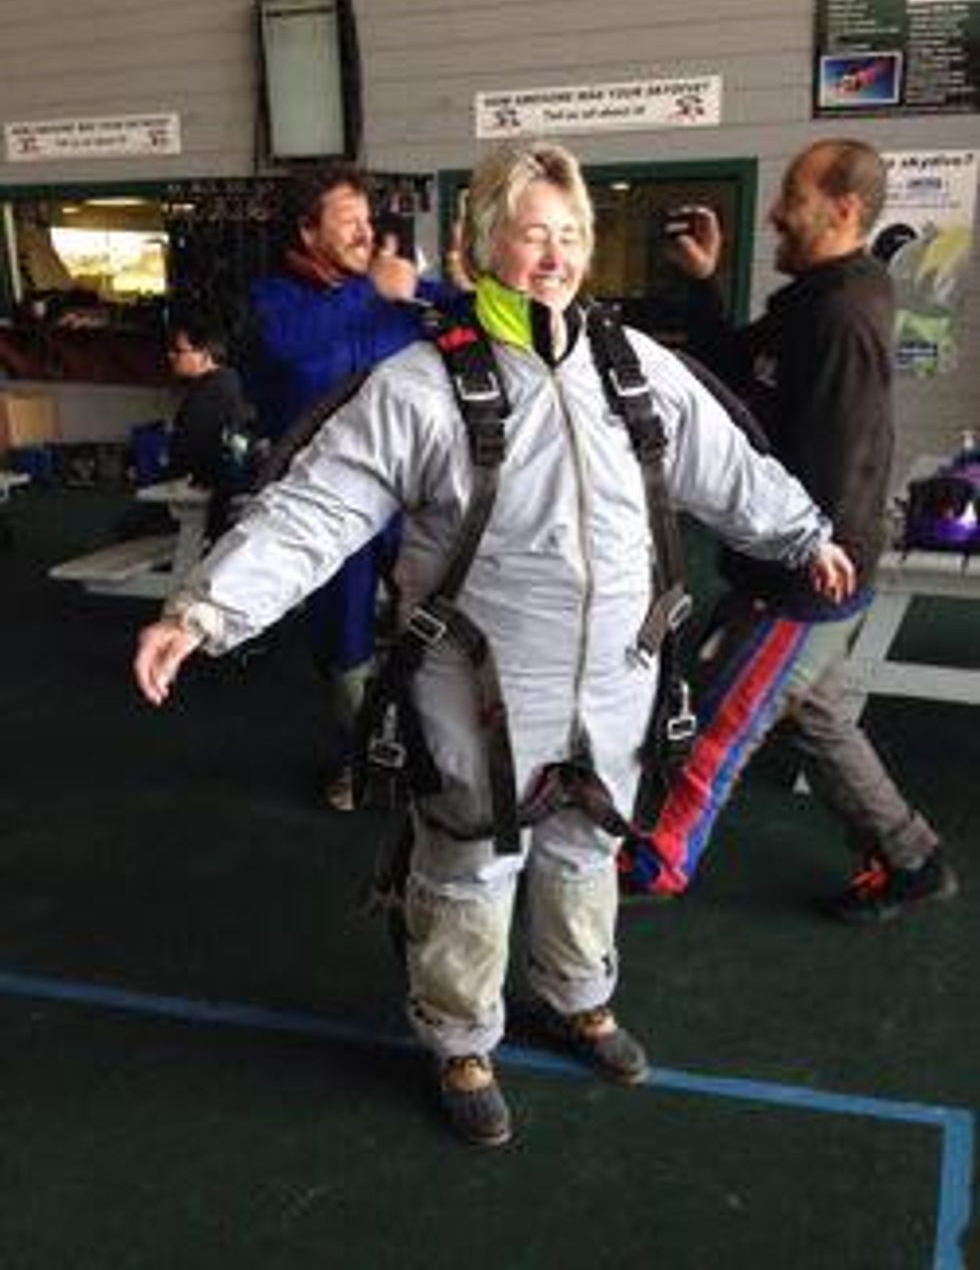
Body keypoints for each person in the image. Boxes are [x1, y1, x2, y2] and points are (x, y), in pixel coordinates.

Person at [133, 141, 854, 1149]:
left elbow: (728, 468)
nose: (553, 254)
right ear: (479, 246)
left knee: (588, 840)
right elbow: (318, 506)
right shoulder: (420, 386)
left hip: (615, 671)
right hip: (475, 681)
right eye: (530, 232)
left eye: (569, 235)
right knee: (467, 858)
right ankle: (460, 1036)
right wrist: (204, 609)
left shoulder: (634, 371)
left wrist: (803, 534)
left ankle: (575, 997)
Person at [619, 138, 959, 923]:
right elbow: (740, 374)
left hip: (804, 579)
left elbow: (849, 457)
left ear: (843, 210)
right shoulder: (812, 300)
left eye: (794, 198)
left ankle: (655, 860)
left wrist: (805, 560)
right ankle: (913, 857)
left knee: (716, 720)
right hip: (796, 561)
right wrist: (706, 284)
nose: (775, 212)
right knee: (819, 715)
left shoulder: (843, 313)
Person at [246, 163, 454, 808]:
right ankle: (362, 757)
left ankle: (443, 753)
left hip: (408, 496)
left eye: (369, 222)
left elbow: (460, 307)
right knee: (344, 639)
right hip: (327, 501)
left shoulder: (385, 292)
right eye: (350, 224)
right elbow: (288, 347)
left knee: (443, 614)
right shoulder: (273, 302)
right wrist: (373, 290)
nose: (367, 234)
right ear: (308, 233)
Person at [166, 312, 255, 539]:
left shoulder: (209, 394)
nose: (171, 355)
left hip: (210, 495)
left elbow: (188, 450)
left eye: (179, 350)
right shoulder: (228, 383)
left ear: (204, 355)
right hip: (226, 492)